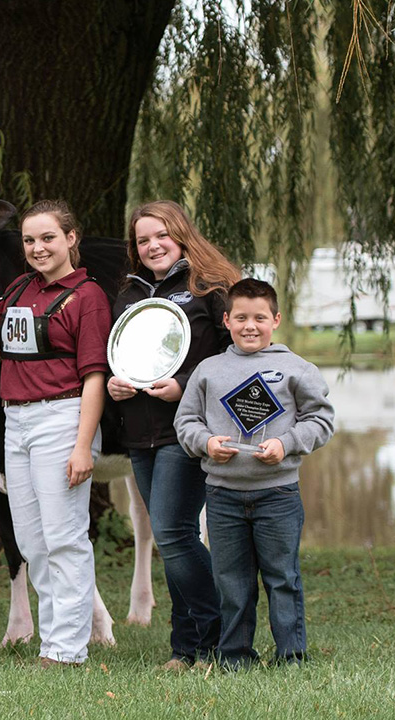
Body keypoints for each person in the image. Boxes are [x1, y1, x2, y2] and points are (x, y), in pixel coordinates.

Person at [0, 199, 111, 668]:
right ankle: (55, 640)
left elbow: (95, 377)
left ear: (70, 239)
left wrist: (83, 445)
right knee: (32, 540)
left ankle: (67, 650)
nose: (38, 248)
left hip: (62, 419)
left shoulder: (88, 297)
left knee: (65, 537)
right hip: (16, 421)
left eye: (48, 238)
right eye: (29, 240)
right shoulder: (20, 288)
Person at [174, 278, 335, 668]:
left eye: (260, 318)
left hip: (278, 495)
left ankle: (292, 656)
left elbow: (321, 419)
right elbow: (186, 422)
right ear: (226, 320)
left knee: (282, 578)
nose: (250, 325)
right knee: (231, 583)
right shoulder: (208, 370)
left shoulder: (296, 368)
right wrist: (206, 442)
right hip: (223, 495)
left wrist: (288, 443)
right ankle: (235, 657)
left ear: (275, 319)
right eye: (241, 317)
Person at [106, 200, 239, 671]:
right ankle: (189, 649)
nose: (152, 245)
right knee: (175, 534)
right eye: (142, 240)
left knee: (172, 532)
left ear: (181, 234)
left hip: (188, 432)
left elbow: (237, 358)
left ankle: (219, 634)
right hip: (139, 434)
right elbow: (117, 357)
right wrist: (113, 381)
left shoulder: (211, 287)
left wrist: (185, 386)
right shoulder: (128, 295)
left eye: (160, 235)